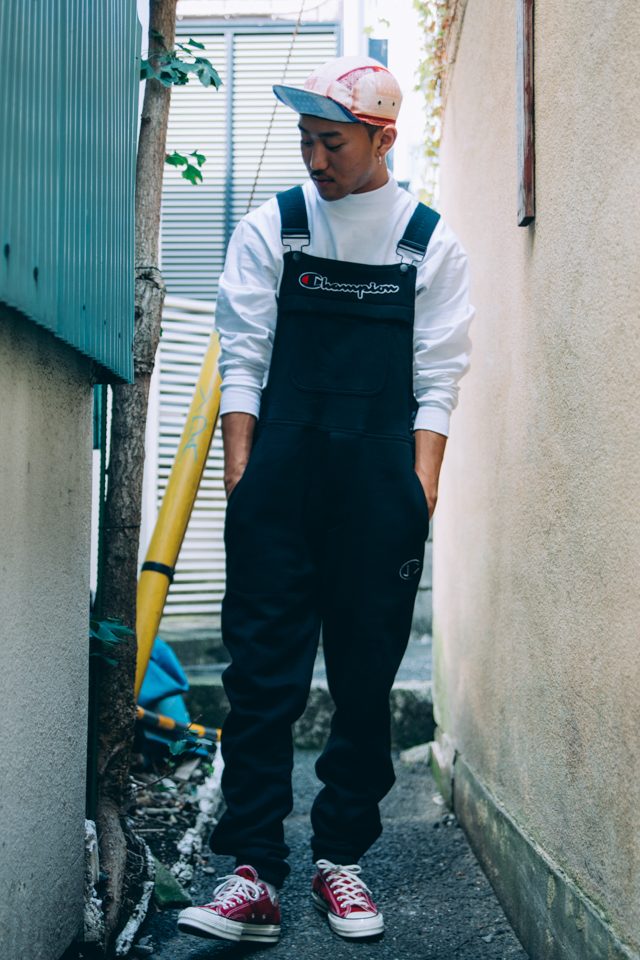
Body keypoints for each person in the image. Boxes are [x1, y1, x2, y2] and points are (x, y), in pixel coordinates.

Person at [177, 55, 473, 945]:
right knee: (260, 683)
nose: (313, 158)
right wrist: (243, 480)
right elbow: (243, 360)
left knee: (363, 683)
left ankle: (341, 860)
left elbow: (439, 381)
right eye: (305, 139)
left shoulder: (428, 243)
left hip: (379, 493)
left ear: (383, 139)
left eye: (331, 142)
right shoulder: (276, 226)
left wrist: (419, 490)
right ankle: (253, 874)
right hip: (279, 482)